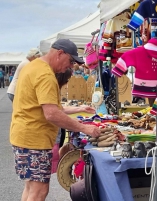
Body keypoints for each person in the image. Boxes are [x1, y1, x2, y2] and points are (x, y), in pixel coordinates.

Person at [10, 39, 101, 201]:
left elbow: (48, 107)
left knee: (31, 188)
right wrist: (84, 128)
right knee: (39, 192)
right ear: (60, 53)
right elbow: (51, 114)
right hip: (34, 140)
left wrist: (79, 109)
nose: (71, 66)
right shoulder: (46, 75)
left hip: (23, 136)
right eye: (71, 60)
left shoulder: (33, 66)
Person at [51, 68, 95, 173]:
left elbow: (59, 109)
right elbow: (53, 114)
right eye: (67, 80)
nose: (68, 83)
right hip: (47, 139)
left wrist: (81, 108)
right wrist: (79, 126)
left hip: (51, 138)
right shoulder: (51, 88)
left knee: (43, 181)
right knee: (41, 183)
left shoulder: (54, 88)